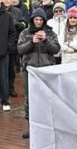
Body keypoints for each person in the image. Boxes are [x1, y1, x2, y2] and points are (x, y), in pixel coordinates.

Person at [17, 9, 60, 139]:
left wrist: (46, 40)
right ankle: (31, 125)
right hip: (29, 70)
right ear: (32, 20)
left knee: (47, 99)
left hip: (46, 70)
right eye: (36, 20)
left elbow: (56, 50)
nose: (38, 22)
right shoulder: (25, 33)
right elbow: (19, 49)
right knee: (30, 99)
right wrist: (32, 42)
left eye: (40, 20)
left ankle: (47, 125)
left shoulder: (50, 33)